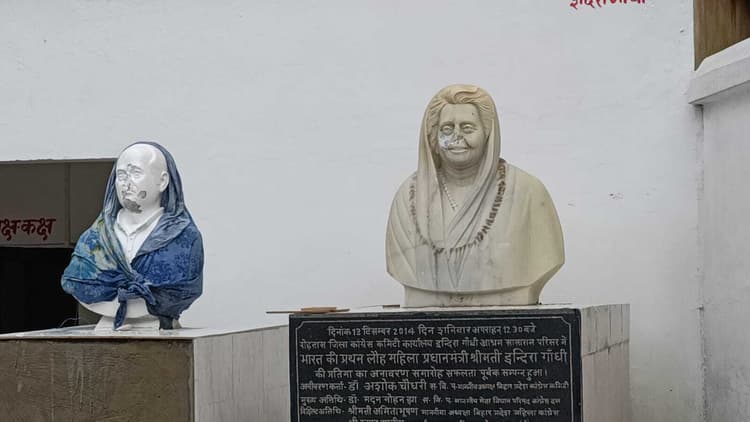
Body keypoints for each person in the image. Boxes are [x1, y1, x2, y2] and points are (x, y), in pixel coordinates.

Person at [386, 84, 564, 307]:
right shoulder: (407, 197)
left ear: (487, 133)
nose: (457, 137)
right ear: (433, 136)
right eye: (447, 129)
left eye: (468, 128)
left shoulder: (528, 193)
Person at [62, 142, 203, 329]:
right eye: (121, 175)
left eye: (136, 173)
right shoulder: (92, 240)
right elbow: (77, 281)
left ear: (162, 182)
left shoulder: (185, 239)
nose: (126, 183)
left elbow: (183, 287)